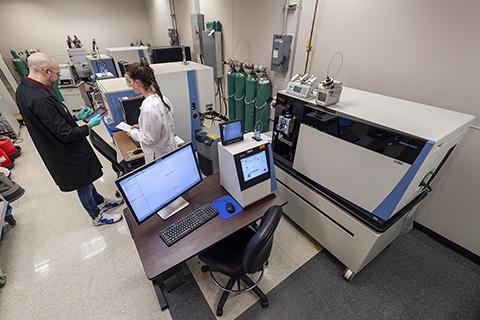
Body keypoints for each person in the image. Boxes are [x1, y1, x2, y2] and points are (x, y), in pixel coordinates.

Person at [15, 52, 123, 226]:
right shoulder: (39, 98)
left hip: (61, 147)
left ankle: (100, 201)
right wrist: (88, 126)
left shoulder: (25, 89)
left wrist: (75, 117)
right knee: (83, 184)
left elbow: (51, 120)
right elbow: (64, 133)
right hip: (65, 152)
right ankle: (96, 216)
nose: (58, 78)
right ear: (46, 71)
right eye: (57, 74)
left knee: (87, 179)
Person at [125, 62, 177, 163]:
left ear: (137, 82)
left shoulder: (149, 108)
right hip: (168, 149)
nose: (130, 85)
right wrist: (143, 127)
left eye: (130, 81)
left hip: (158, 155)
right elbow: (163, 126)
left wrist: (133, 133)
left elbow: (150, 140)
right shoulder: (162, 98)